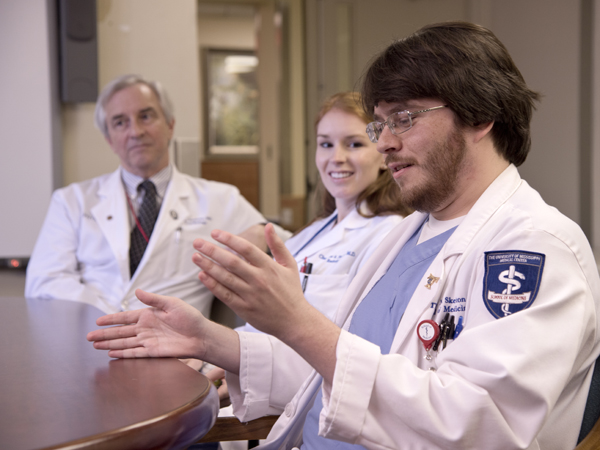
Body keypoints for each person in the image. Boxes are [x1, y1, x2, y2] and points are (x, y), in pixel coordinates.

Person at [87, 22, 600, 450]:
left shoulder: (535, 247)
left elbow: (483, 428)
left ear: (481, 114)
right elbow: (338, 375)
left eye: (404, 119)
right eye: (380, 125)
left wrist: (299, 322)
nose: (387, 144)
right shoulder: (409, 236)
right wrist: (212, 339)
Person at [209, 91, 409, 416]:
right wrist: (221, 352)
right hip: (255, 381)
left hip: (305, 402)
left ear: (383, 153)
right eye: (325, 144)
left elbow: (339, 343)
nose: (336, 157)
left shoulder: (388, 234)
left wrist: (229, 351)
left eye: (354, 144)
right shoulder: (315, 231)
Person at [26, 74, 289, 318]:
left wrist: (261, 234)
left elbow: (296, 249)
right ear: (109, 139)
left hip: (178, 350)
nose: (136, 131)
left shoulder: (219, 198)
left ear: (170, 125)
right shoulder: (72, 201)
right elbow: (43, 282)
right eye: (120, 122)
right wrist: (113, 319)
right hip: (93, 340)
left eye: (146, 116)